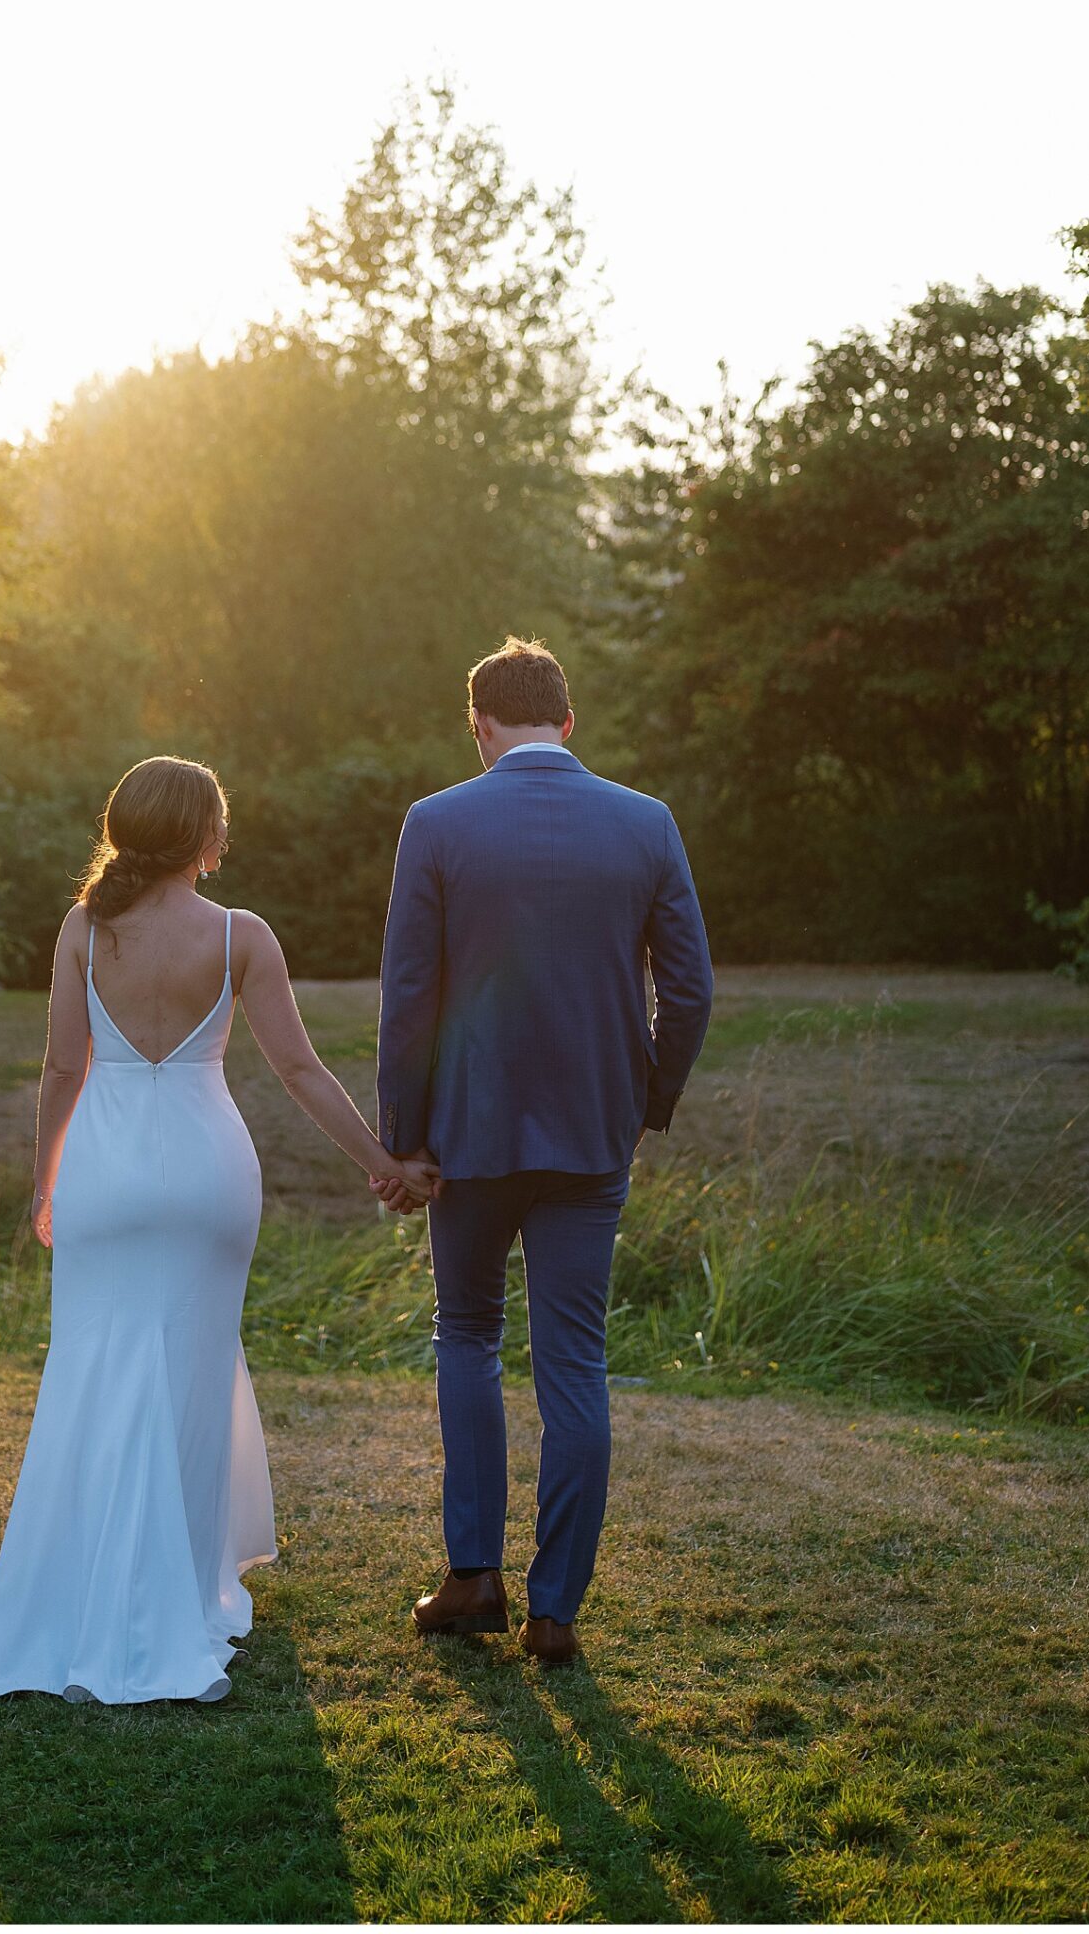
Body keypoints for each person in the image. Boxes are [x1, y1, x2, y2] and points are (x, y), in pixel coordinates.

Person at [0, 754, 438, 1704]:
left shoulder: (83, 929)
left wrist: (44, 1181)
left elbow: (60, 1069)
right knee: (190, 1373)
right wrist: (382, 1163)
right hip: (209, 1174)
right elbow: (300, 1072)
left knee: (91, 1370)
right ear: (206, 840)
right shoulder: (240, 935)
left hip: (105, 1170)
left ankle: (90, 1607)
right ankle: (180, 1605)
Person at [372, 636, 713, 1665]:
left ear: (478, 728)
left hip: (466, 1136)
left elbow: (407, 998)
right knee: (575, 1362)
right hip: (588, 1136)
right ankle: (554, 1607)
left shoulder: (435, 822)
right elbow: (689, 991)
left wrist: (402, 1140)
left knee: (466, 1335)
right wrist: (642, 1101)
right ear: (567, 723)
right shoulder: (644, 823)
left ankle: (470, 1573)